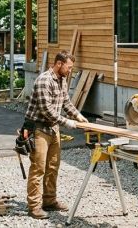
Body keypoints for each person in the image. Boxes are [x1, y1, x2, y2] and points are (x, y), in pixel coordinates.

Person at [23, 50, 88, 219]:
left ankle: (49, 200)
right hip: (39, 129)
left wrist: (78, 115)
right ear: (59, 64)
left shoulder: (62, 79)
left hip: (53, 129)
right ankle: (34, 207)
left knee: (52, 167)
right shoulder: (44, 80)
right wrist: (68, 122)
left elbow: (65, 101)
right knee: (38, 168)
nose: (70, 70)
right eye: (68, 67)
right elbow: (47, 110)